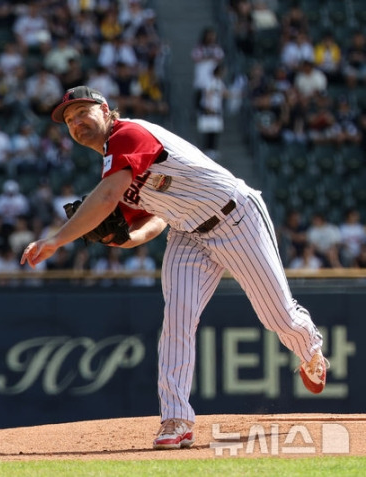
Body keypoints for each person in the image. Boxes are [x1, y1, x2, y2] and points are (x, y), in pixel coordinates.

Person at [20, 86, 327, 450]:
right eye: (69, 120)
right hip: (188, 234)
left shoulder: (128, 135)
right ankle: (175, 417)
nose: (75, 123)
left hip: (237, 217)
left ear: (105, 110)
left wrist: (56, 239)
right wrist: (129, 240)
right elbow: (155, 217)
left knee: (278, 316)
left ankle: (310, 349)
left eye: (82, 112)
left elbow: (105, 198)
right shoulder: (112, 160)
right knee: (178, 318)